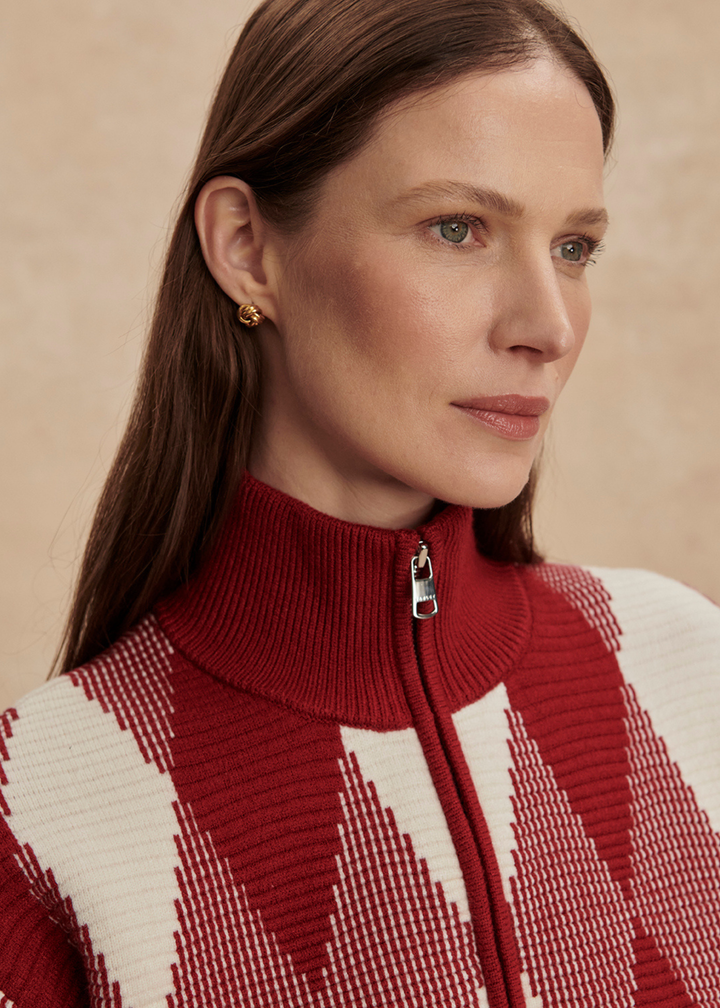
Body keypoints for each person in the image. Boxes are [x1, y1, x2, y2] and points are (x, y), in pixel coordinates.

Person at [1, 0, 719, 1004]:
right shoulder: (36, 817)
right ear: (248, 248)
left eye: (574, 246)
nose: (548, 325)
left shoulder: (689, 673)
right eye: (458, 228)